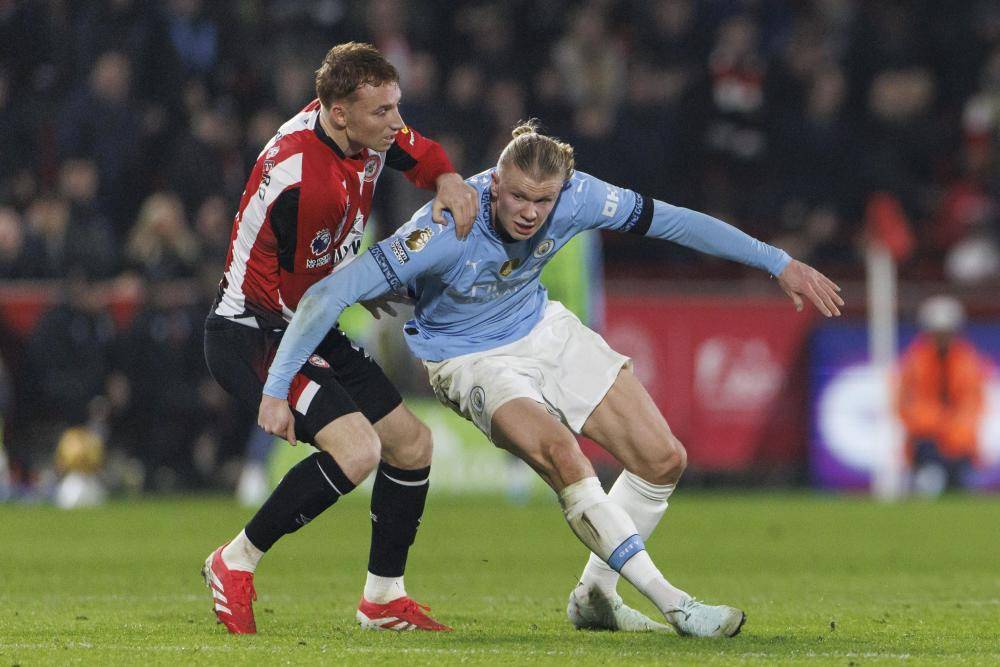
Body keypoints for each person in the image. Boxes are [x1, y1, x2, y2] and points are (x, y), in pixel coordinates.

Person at [259, 121, 843, 636]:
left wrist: (778, 262)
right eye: (517, 196)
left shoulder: (580, 196)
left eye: (543, 199)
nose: (530, 212)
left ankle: (595, 598)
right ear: (495, 183)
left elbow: (675, 222)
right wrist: (276, 385)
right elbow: (328, 294)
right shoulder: (443, 225)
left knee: (663, 459)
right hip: (466, 357)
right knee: (565, 455)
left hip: (540, 326)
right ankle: (676, 604)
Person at [202, 42, 478, 635]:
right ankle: (235, 561)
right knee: (358, 451)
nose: (396, 122)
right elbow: (310, 295)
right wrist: (276, 388)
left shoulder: (360, 129)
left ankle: (382, 598)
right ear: (338, 112)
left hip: (309, 319)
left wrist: (448, 178)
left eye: (395, 105)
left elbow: (421, 152)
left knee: (412, 445)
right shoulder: (310, 180)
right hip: (257, 333)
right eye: (383, 111)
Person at [897, 295, 988, 497]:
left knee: (960, 489)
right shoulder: (915, 361)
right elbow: (906, 403)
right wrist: (936, 425)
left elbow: (972, 403)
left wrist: (954, 431)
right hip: (926, 439)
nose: (941, 338)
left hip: (959, 442)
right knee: (927, 481)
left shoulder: (967, 361)